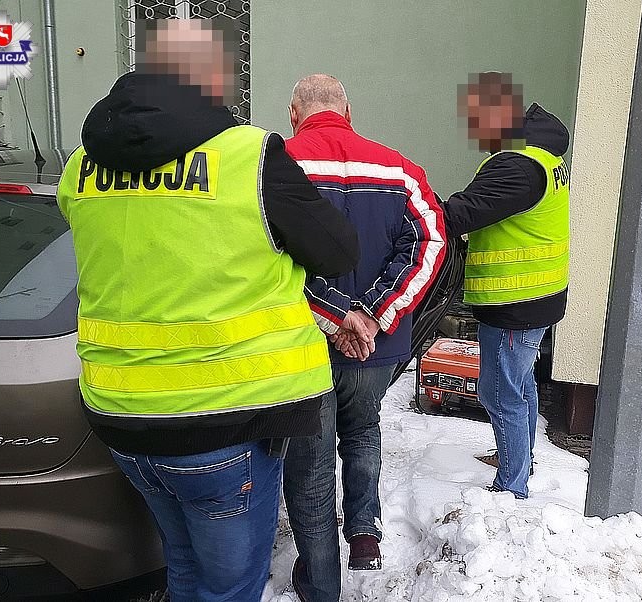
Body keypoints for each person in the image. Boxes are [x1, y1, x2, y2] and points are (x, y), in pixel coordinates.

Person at [56, 21, 360, 602]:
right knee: (230, 587)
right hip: (223, 422)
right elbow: (339, 251)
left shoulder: (80, 165)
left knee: (185, 569)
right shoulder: (249, 155)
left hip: (121, 418)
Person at [282, 74, 446, 602]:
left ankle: (320, 582)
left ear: (294, 114)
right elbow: (430, 240)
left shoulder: (278, 165)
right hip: (378, 348)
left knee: (310, 459)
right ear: (348, 112)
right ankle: (364, 534)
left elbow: (269, 257)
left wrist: (337, 316)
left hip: (303, 346)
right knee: (363, 429)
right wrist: (375, 314)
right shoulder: (399, 168)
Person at [444, 72, 570, 500]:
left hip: (515, 302)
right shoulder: (542, 156)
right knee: (521, 384)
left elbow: (462, 213)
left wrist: (412, 206)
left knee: (501, 393)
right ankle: (521, 459)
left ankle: (511, 486)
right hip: (538, 296)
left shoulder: (518, 166)